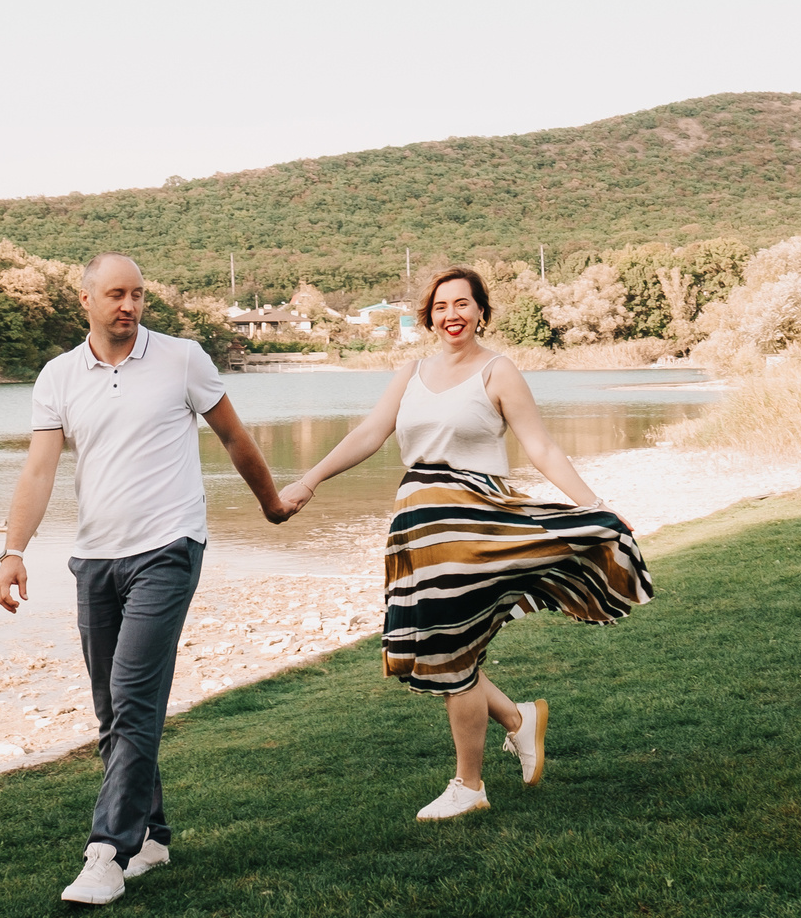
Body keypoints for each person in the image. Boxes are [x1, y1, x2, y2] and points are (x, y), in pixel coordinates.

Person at [277, 265, 651, 821]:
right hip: (420, 524)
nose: (452, 315)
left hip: (476, 520)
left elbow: (542, 447)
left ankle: (469, 785)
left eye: (463, 304)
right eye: (442, 306)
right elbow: (369, 433)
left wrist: (592, 505)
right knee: (440, 645)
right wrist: (309, 480)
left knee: (450, 648)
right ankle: (519, 721)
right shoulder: (412, 372)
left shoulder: (498, 372)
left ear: (481, 311)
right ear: (430, 314)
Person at [0, 251, 295, 906]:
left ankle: (108, 852)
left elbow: (236, 438)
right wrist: (12, 549)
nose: (127, 305)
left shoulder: (183, 358)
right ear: (86, 301)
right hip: (95, 559)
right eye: (115, 294)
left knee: (132, 696)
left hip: (169, 548)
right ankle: (153, 835)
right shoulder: (58, 376)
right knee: (114, 708)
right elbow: (39, 471)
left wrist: (270, 501)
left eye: (137, 294)